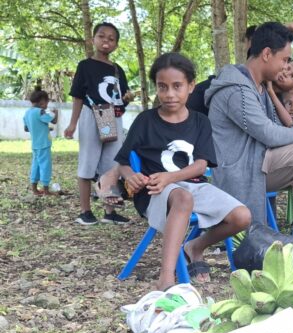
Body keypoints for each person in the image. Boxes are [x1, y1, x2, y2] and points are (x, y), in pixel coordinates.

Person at [205, 22, 293, 252]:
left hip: (259, 162)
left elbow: (276, 133)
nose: (285, 68)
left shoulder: (260, 87)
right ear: (266, 54)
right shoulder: (236, 89)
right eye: (284, 60)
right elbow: (269, 133)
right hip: (240, 171)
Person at [115, 53, 250, 290]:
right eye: (162, 87)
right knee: (182, 197)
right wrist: (131, 177)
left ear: (190, 87)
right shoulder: (145, 120)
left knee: (242, 216)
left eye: (177, 86)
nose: (169, 94)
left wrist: (172, 177)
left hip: (194, 184)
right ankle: (166, 279)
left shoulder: (200, 122)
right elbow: (124, 161)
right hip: (156, 191)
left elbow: (201, 165)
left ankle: (195, 247)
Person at [64, 22, 134, 225]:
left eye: (111, 39)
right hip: (91, 116)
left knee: (112, 164)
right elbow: (77, 96)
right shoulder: (85, 66)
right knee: (87, 163)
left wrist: (127, 98)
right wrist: (72, 124)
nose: (106, 41)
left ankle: (109, 212)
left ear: (116, 45)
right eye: (102, 36)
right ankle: (85, 211)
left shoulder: (118, 70)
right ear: (93, 39)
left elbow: (120, 99)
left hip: (113, 118)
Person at [24, 89, 58, 196]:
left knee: (36, 165)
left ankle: (34, 189)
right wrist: (55, 113)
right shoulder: (40, 111)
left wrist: (43, 128)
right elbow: (53, 121)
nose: (46, 105)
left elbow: (27, 128)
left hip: (35, 145)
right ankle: (46, 190)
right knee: (45, 166)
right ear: (41, 101)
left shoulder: (27, 113)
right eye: (46, 103)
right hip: (44, 144)